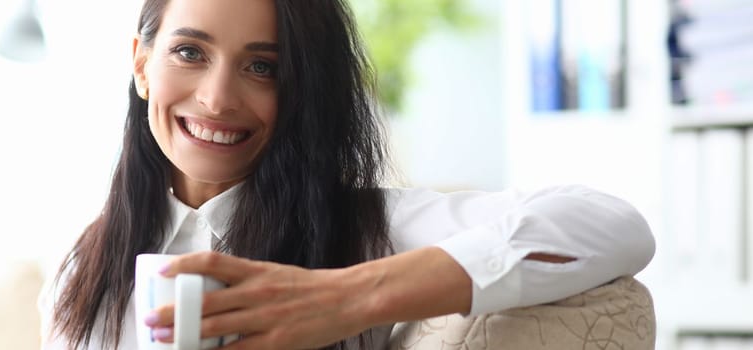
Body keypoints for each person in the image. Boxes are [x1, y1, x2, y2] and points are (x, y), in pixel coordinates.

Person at [38, 0, 655, 349]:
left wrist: (345, 298)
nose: (218, 99)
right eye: (190, 53)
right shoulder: (80, 266)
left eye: (263, 68)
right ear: (142, 64)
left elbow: (613, 226)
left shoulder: (364, 231)